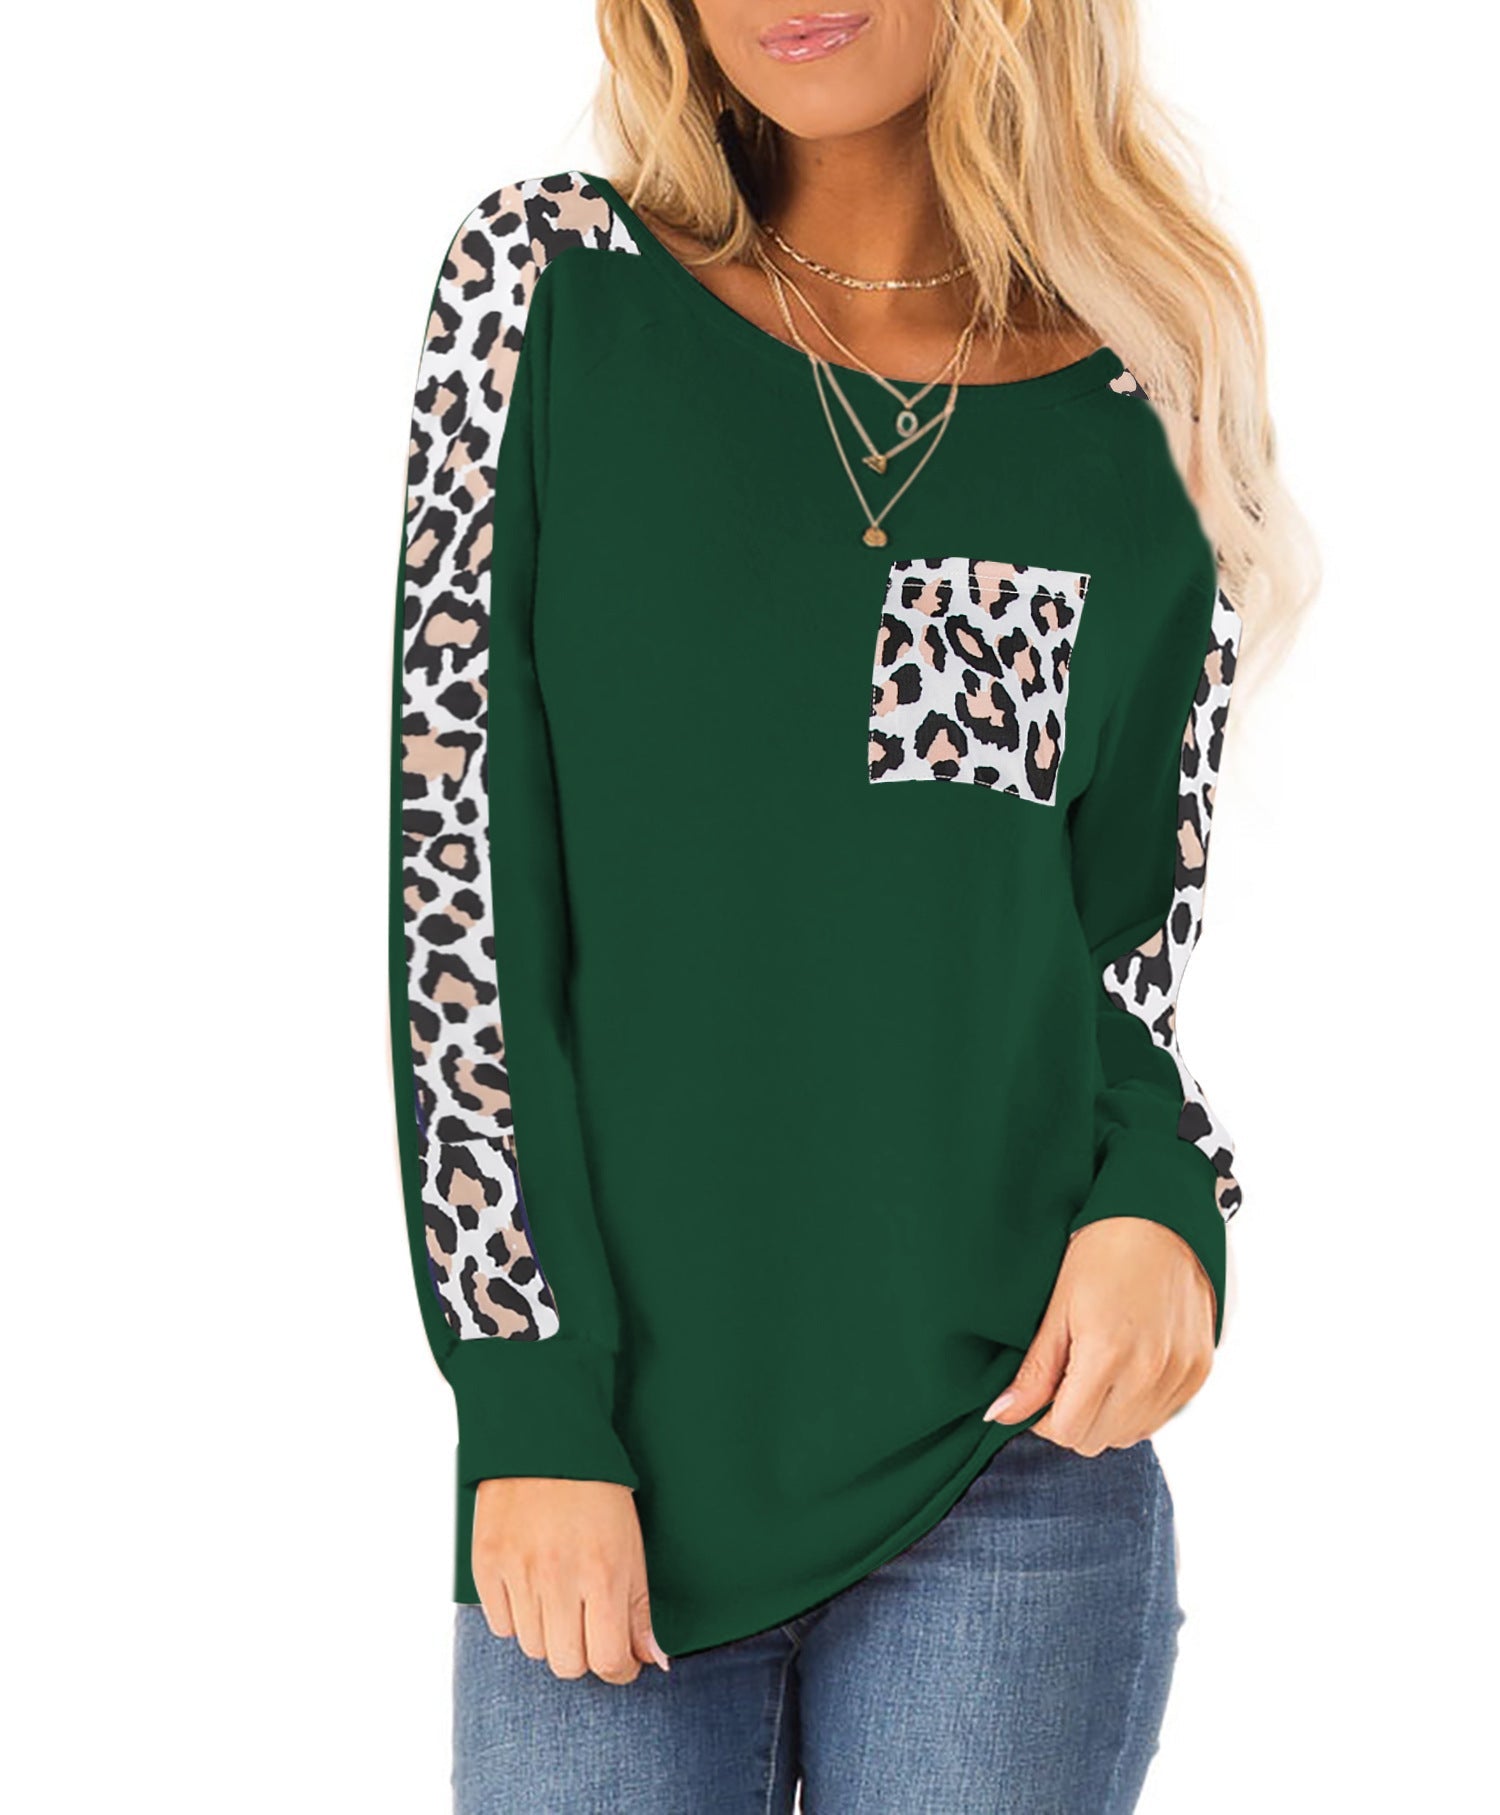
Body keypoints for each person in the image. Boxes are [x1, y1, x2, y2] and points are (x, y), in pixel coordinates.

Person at [388, 3, 1314, 1809]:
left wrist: (1162, 1199)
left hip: (1013, 1462)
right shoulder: (553, 291)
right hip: (612, 1477)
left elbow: (1117, 951)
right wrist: (529, 1403)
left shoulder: (1139, 398)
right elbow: (458, 892)